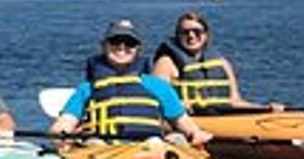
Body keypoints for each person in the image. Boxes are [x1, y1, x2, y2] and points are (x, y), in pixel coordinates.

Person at [48, 20, 212, 144]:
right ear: (104, 46)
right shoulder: (87, 89)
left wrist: (195, 132)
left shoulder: (157, 86)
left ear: (138, 49)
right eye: (115, 41)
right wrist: (60, 133)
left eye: (129, 43)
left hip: (149, 148)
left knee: (173, 140)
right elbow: (66, 121)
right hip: (104, 150)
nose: (122, 47)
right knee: (94, 143)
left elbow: (182, 121)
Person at [149, 11, 278, 112]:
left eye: (197, 31)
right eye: (185, 32)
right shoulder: (165, 63)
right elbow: (156, 100)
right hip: (188, 120)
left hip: (222, 118)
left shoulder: (223, 64)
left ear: (206, 35)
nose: (191, 36)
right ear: (178, 36)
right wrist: (178, 107)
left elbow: (235, 102)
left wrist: (265, 108)